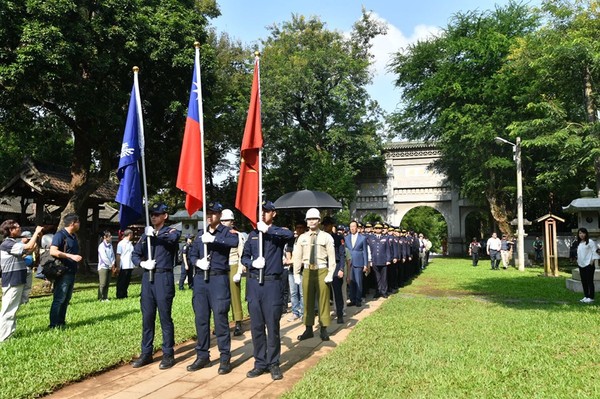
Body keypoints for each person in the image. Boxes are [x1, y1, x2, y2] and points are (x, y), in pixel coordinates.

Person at [241, 201, 294, 380]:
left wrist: (268, 230)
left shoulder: (277, 233)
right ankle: (260, 363)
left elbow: (290, 235)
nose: (262, 214)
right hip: (255, 284)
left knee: (272, 325)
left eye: (266, 211)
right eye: (260, 212)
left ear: (273, 213)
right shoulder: (252, 235)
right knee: (256, 327)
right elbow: (244, 257)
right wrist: (251, 263)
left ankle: (273, 363)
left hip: (272, 284)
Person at [186, 202, 239, 375]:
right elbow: (192, 252)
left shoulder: (226, 231)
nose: (210, 216)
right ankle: (202, 355)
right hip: (201, 279)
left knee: (220, 319)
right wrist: (196, 262)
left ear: (219, 215)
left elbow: (234, 241)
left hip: (218, 278)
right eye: (207, 213)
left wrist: (215, 239)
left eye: (213, 213)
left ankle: (224, 357)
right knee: (201, 319)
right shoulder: (201, 233)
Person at [131, 203, 181, 369]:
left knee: (165, 318)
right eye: (152, 214)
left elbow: (174, 239)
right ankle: (146, 352)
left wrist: (156, 235)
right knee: (147, 318)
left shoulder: (171, 231)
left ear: (165, 216)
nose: (154, 217)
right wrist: (143, 263)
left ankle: (168, 353)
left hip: (163, 276)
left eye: (157, 214)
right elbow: (135, 254)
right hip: (148, 277)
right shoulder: (145, 236)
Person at [292, 208, 336, 342]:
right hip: (307, 271)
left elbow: (332, 258)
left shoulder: (326, 237)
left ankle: (323, 328)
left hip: (322, 270)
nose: (311, 222)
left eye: (314, 219)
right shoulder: (302, 237)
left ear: (319, 220)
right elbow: (297, 257)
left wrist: (330, 273)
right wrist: (296, 274)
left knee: (323, 300)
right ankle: (308, 328)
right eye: (309, 219)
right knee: (307, 300)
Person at [0, 222, 43, 342]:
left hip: (16, 280)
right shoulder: (7, 244)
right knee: (8, 310)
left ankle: (8, 334)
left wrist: (33, 243)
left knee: (12, 309)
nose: (20, 228)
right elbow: (28, 247)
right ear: (10, 230)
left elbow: (25, 253)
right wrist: (35, 233)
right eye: (17, 227)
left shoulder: (12, 244)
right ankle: (4, 337)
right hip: (12, 280)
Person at [49, 213, 82, 329]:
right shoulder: (60, 235)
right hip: (62, 271)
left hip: (71, 271)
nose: (79, 224)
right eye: (78, 222)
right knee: (59, 298)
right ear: (73, 223)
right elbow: (53, 251)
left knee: (67, 298)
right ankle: (53, 324)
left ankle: (61, 322)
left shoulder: (73, 236)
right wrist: (71, 256)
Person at [220, 209, 246, 337]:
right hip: (220, 267)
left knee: (234, 295)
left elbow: (242, 254)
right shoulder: (218, 234)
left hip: (233, 264)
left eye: (227, 220)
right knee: (220, 297)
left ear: (232, 221)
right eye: (223, 220)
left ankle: (238, 322)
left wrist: (240, 271)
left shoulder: (237, 235)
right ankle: (222, 323)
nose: (225, 223)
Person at [322, 216, 346, 324]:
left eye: (327, 224)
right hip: (324, 266)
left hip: (335, 266)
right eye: (324, 224)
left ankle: (340, 314)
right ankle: (325, 315)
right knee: (324, 293)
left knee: (337, 292)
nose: (325, 226)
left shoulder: (338, 238)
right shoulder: (321, 238)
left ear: (332, 226)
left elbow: (342, 254)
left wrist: (341, 268)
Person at [285, 222, 306, 321]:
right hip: (292, 269)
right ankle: (295, 312)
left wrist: (297, 262)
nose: (299, 229)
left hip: (302, 270)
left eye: (301, 227)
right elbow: (288, 252)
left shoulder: (306, 240)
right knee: (293, 292)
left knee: (302, 292)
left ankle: (302, 312)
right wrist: (290, 260)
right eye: (297, 227)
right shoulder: (292, 240)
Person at [345, 220, 368, 307]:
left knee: (358, 282)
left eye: (354, 226)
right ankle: (352, 299)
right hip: (349, 263)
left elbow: (365, 252)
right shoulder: (346, 238)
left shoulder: (363, 238)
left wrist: (366, 264)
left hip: (359, 262)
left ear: (357, 228)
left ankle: (358, 299)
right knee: (351, 282)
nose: (352, 228)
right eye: (351, 227)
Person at [367, 222, 392, 298]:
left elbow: (388, 249)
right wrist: (370, 260)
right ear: (374, 229)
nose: (378, 229)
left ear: (382, 229)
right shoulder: (370, 237)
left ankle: (384, 291)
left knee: (384, 277)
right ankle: (378, 291)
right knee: (376, 277)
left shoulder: (386, 238)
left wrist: (388, 259)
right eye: (377, 228)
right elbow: (369, 250)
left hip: (383, 260)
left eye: (380, 228)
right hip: (375, 260)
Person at [575, 227, 597, 304]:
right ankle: (586, 296)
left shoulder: (590, 242)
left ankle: (591, 297)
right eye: (580, 233)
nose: (582, 235)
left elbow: (595, 252)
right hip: (581, 264)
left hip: (589, 264)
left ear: (586, 234)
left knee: (589, 281)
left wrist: (592, 261)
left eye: (583, 233)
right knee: (583, 281)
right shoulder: (579, 243)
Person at [116, 229, 135, 299]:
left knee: (127, 280)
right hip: (124, 265)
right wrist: (118, 266)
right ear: (129, 234)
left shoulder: (130, 243)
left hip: (130, 264)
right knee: (122, 281)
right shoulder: (121, 243)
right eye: (132, 234)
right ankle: (120, 295)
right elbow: (118, 255)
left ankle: (125, 293)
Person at [20, 230, 37, 305]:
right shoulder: (19, 245)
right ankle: (20, 301)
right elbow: (21, 256)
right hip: (22, 268)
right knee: (21, 286)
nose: (29, 240)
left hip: (29, 267)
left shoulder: (30, 244)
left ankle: (25, 301)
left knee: (28, 286)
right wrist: (31, 250)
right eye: (28, 239)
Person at [97, 230, 115, 301]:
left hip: (110, 266)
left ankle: (105, 297)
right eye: (110, 236)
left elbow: (112, 255)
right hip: (103, 267)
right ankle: (100, 297)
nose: (111, 237)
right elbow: (103, 257)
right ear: (105, 237)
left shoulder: (110, 245)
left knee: (107, 283)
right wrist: (110, 264)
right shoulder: (101, 246)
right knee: (103, 283)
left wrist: (113, 263)